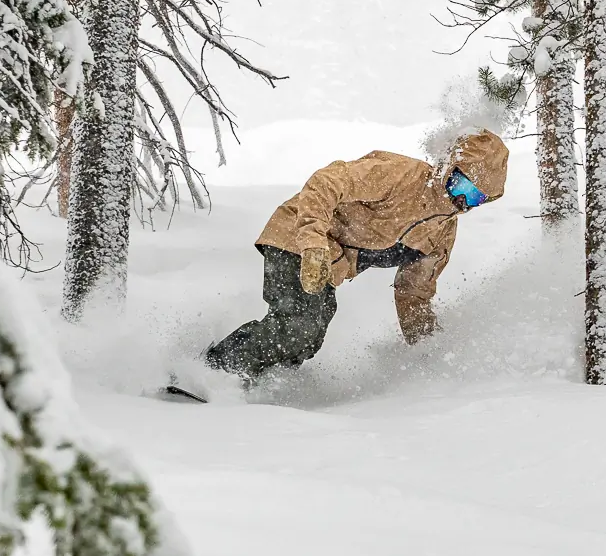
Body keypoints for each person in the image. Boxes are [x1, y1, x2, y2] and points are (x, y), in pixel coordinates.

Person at [202, 129, 509, 382]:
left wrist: (429, 352)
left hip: (328, 264)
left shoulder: (441, 234)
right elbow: (327, 182)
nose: (460, 199)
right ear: (447, 167)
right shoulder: (403, 176)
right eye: (459, 184)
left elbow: (413, 294)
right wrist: (313, 243)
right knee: (299, 326)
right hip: (296, 235)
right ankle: (213, 371)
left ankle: (248, 379)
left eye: (474, 196)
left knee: (309, 338)